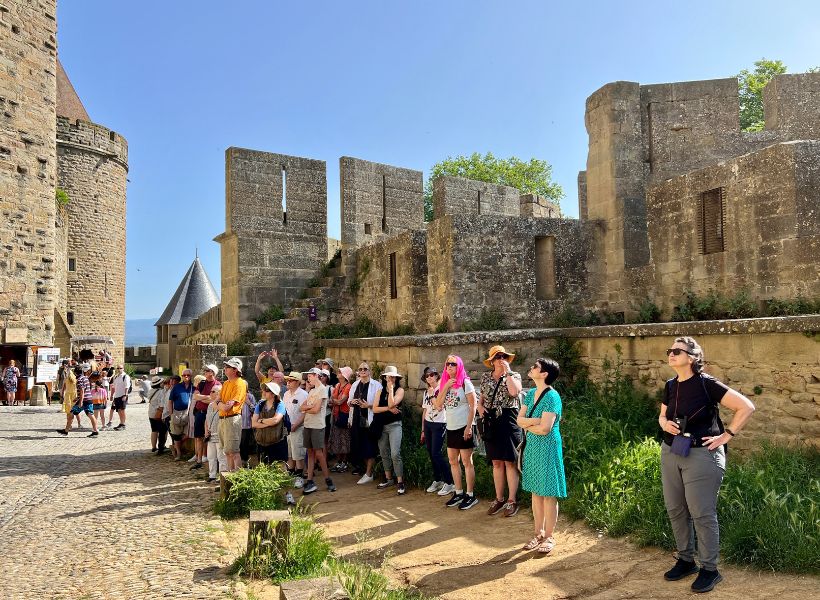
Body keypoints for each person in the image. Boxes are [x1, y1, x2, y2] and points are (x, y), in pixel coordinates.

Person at [659, 336, 755, 593]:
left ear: (693, 357)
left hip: (702, 456)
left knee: (702, 513)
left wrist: (727, 435)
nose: (671, 354)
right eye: (670, 350)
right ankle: (686, 559)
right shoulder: (670, 385)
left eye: (677, 351)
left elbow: (746, 407)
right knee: (675, 508)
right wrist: (663, 423)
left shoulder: (706, 384)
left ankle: (710, 569)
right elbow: (662, 414)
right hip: (671, 451)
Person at [518, 358, 565, 555]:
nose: (531, 368)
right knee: (536, 492)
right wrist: (535, 421)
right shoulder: (529, 394)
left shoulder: (552, 396)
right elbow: (519, 420)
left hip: (548, 448)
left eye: (535, 367)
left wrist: (531, 423)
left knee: (548, 494)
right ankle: (538, 533)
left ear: (544, 373)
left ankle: (549, 536)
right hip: (533, 447)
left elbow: (546, 429)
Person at [479, 345, 524, 518]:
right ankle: (499, 498)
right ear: (491, 361)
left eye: (503, 356)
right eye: (497, 357)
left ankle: (512, 500)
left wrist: (508, 373)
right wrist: (480, 408)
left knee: (509, 462)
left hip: (508, 418)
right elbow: (481, 398)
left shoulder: (514, 376)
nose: (501, 359)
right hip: (491, 420)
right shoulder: (485, 377)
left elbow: (514, 392)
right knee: (496, 461)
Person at [433, 355, 478, 510]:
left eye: (453, 364)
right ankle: (458, 492)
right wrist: (445, 387)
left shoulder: (466, 383)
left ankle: (470, 495)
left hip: (463, 427)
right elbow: (438, 405)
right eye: (447, 364)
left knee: (467, 462)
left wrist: (469, 426)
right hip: (450, 427)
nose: (450, 366)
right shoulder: (445, 384)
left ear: (459, 366)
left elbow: (473, 406)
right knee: (453, 461)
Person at [299, 367, 335, 494]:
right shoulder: (312, 391)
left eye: (310, 376)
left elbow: (315, 410)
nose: (308, 378)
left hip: (317, 426)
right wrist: (309, 407)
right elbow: (301, 407)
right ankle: (310, 481)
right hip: (308, 424)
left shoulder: (323, 390)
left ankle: (328, 480)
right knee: (310, 452)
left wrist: (306, 408)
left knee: (318, 453)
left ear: (315, 375)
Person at [420, 367, 454, 495]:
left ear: (437, 376)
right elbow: (425, 410)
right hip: (428, 424)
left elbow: (439, 407)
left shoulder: (441, 389)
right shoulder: (426, 392)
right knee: (430, 452)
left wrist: (431, 394)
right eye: (427, 376)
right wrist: (423, 429)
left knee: (436, 453)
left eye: (432, 374)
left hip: (440, 423)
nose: (429, 377)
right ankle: (438, 479)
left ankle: (450, 482)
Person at [373, 366, 406, 495]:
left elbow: (393, 404)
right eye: (389, 376)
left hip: (395, 425)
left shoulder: (400, 390)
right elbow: (375, 409)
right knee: (383, 452)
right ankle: (388, 479)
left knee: (395, 453)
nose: (391, 379)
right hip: (382, 426)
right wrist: (388, 409)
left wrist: (391, 389)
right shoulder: (379, 392)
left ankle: (400, 481)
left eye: (393, 377)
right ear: (384, 378)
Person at [348, 362, 382, 484]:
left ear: (369, 371)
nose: (362, 371)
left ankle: (369, 473)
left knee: (370, 446)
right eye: (360, 369)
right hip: (357, 418)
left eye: (365, 369)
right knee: (359, 445)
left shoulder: (376, 385)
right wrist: (353, 401)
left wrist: (368, 405)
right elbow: (348, 401)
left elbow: (380, 405)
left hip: (369, 419)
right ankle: (366, 470)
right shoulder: (355, 384)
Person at [216, 358, 248, 472]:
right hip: (223, 419)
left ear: (235, 370)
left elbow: (226, 407)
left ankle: (238, 479)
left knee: (234, 452)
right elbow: (217, 401)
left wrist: (220, 404)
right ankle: (229, 478)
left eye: (228, 367)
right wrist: (220, 404)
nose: (225, 369)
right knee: (227, 452)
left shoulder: (240, 384)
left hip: (232, 419)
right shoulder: (226, 383)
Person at [190, 364, 220, 470]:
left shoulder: (217, 384)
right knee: (198, 437)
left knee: (210, 437)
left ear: (213, 372)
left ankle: (210, 460)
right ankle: (199, 460)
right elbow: (195, 396)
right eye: (206, 371)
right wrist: (207, 397)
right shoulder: (202, 383)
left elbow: (214, 400)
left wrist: (202, 398)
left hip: (210, 414)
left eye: (209, 371)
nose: (207, 373)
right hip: (200, 413)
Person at [56, 364, 98, 437]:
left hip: (85, 400)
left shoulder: (79, 380)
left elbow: (82, 390)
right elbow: (85, 390)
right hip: (87, 399)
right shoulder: (85, 378)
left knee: (88, 414)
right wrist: (78, 398)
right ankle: (66, 430)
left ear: (75, 373)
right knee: (78, 413)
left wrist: (80, 401)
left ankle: (95, 431)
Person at [252, 381, 289, 464]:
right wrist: (269, 423)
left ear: (273, 394)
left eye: (267, 390)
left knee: (279, 469)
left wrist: (261, 421)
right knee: (263, 471)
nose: (264, 391)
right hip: (261, 444)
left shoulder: (280, 405)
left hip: (277, 443)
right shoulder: (260, 404)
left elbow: (275, 420)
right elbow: (254, 424)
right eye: (264, 389)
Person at [283, 371, 308, 488]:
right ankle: (291, 474)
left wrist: (295, 425)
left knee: (298, 453)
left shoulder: (303, 395)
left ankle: (299, 477)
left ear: (298, 382)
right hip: (287, 428)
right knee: (289, 453)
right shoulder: (286, 394)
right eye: (287, 380)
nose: (288, 382)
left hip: (298, 428)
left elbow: (304, 413)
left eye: (291, 380)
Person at [328, 366, 353, 473]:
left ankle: (345, 462)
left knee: (345, 439)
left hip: (344, 415)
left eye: (340, 372)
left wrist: (335, 400)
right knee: (336, 439)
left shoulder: (348, 387)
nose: (338, 373)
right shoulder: (337, 385)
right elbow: (332, 400)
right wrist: (335, 400)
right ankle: (339, 461)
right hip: (336, 415)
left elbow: (339, 401)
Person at [168, 372, 193, 460]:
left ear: (191, 376)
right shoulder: (177, 387)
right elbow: (170, 401)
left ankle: (175, 446)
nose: (186, 376)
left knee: (188, 433)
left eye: (188, 375)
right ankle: (178, 453)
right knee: (176, 434)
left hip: (188, 413)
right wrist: (171, 413)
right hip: (177, 413)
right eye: (184, 375)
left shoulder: (193, 387)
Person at [205, 384, 227, 483]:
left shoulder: (222, 405)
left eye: (212, 391)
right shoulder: (210, 405)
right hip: (210, 435)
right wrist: (206, 431)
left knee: (221, 456)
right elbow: (206, 420)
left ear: (218, 393)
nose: (210, 393)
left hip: (219, 434)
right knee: (211, 456)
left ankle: (222, 476)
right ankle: (212, 475)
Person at [147, 375, 168, 453]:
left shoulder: (150, 391)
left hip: (151, 413)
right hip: (158, 413)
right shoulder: (161, 392)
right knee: (163, 430)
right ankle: (161, 446)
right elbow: (161, 403)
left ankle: (153, 447)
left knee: (154, 430)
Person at [109, 364, 130, 430]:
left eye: (120, 368)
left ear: (123, 368)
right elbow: (113, 387)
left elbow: (127, 386)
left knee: (122, 410)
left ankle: (123, 424)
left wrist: (125, 395)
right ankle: (121, 423)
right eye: (118, 368)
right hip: (117, 396)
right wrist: (112, 395)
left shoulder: (125, 376)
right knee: (118, 410)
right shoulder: (116, 377)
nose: (119, 369)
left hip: (122, 395)